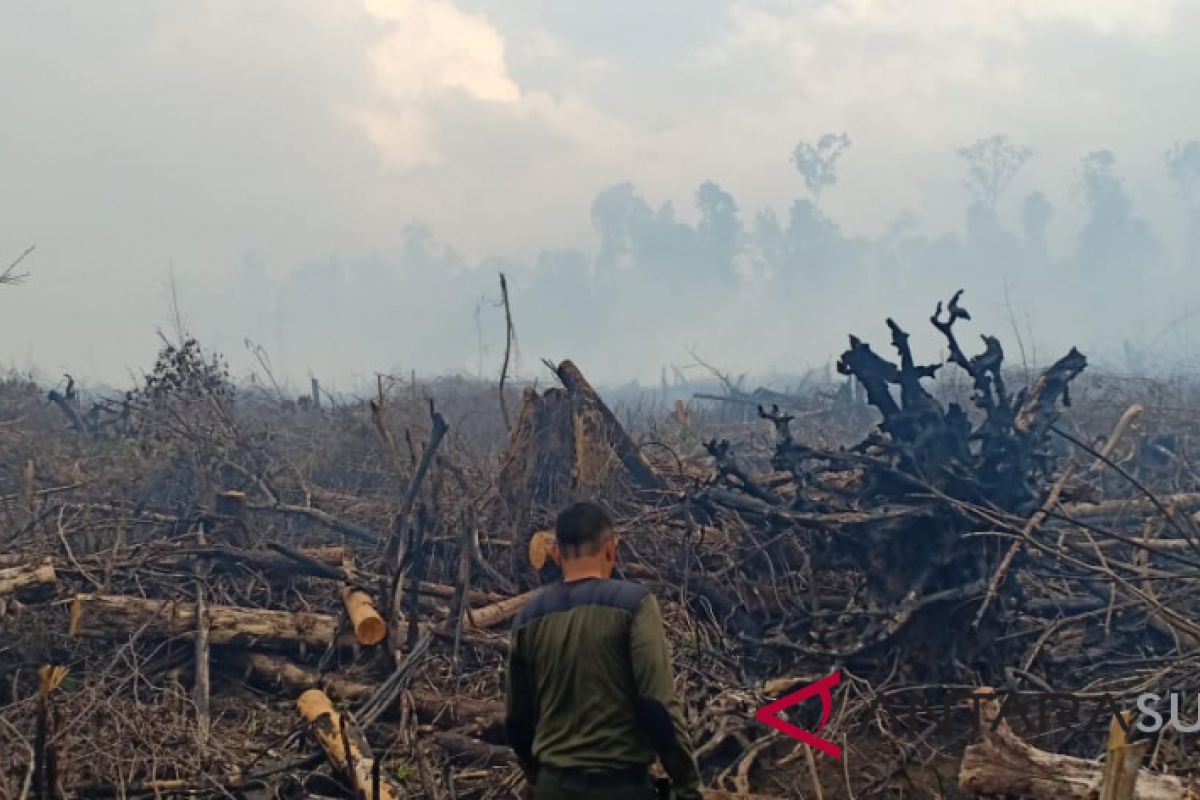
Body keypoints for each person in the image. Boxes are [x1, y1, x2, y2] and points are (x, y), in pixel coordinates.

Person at [505, 501, 702, 800]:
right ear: (611, 549)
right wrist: (687, 786)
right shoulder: (634, 604)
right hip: (621, 787)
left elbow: (517, 719)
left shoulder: (528, 617)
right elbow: (656, 705)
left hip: (553, 786)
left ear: (556, 554)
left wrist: (537, 777)